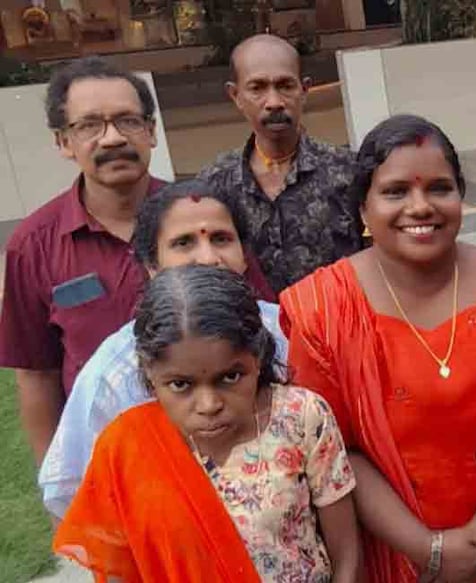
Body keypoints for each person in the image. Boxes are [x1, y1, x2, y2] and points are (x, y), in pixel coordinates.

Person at [281, 114, 476, 582]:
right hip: (399, 555)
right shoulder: (324, 309)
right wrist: (431, 550)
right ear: (363, 209)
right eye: (396, 191)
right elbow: (332, 450)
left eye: (439, 188)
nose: (420, 206)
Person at [55, 265, 361, 582]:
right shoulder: (125, 447)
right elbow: (117, 567)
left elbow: (347, 555)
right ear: (150, 372)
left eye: (230, 377)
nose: (209, 405)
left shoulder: (301, 417)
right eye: (180, 385)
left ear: (256, 357)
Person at [39, 179, 284, 518]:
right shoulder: (114, 372)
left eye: (221, 239)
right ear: (152, 266)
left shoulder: (290, 331)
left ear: (244, 256)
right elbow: (73, 492)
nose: (208, 257)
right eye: (184, 243)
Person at [0, 56, 168, 464]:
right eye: (89, 125)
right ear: (63, 142)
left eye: (128, 121)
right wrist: (57, 487)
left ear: (151, 131)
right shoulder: (34, 245)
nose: (112, 139)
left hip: (219, 454)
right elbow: (37, 375)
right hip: (109, 465)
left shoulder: (202, 216)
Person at [198, 34, 362, 292]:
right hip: (252, 329)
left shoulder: (349, 173)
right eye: (257, 88)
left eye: (285, 86)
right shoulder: (213, 185)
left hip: (337, 328)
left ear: (304, 90)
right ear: (236, 95)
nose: (274, 102)